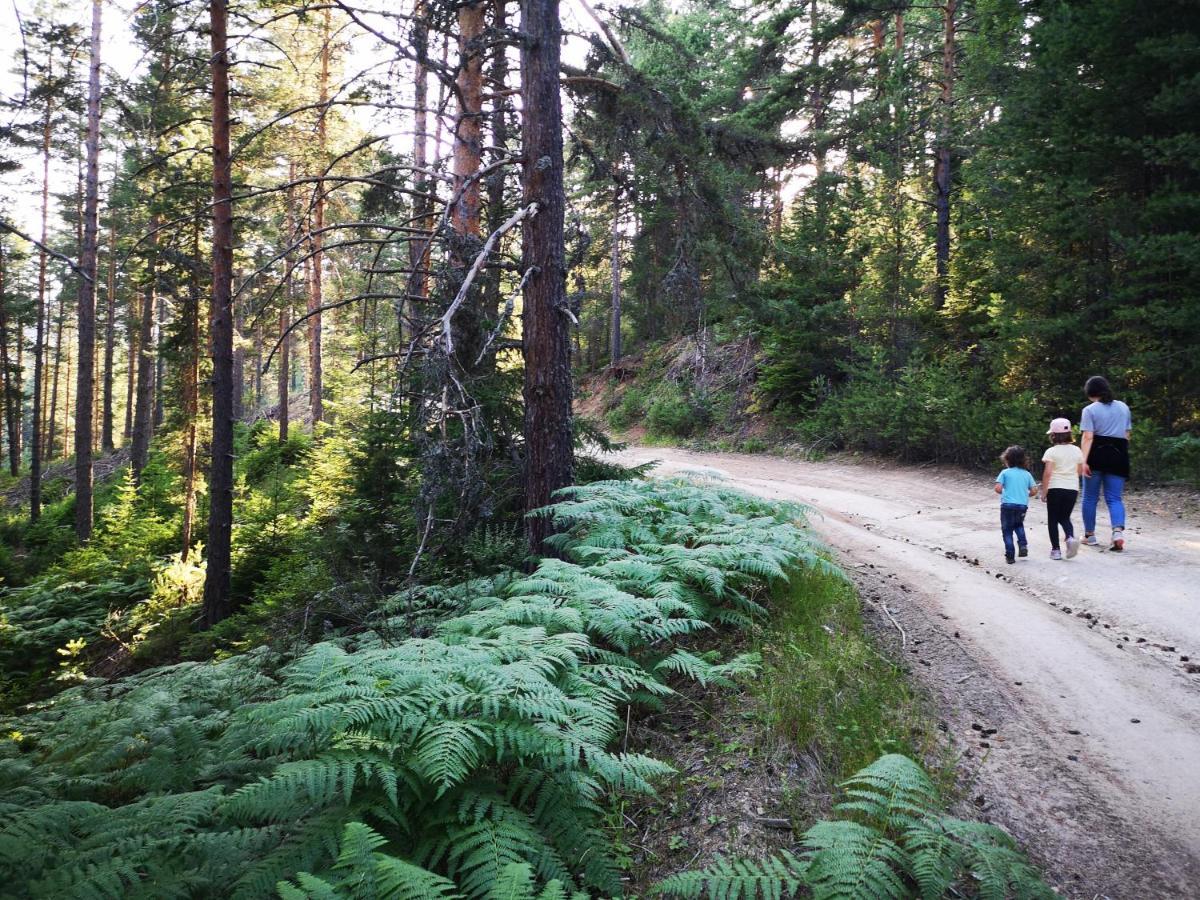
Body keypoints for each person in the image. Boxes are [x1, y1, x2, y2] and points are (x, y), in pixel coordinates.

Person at [1079, 375, 1132, 551]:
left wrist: (1083, 460)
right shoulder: (1123, 407)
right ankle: (1117, 532)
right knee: (1114, 498)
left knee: (1090, 497)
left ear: (1090, 392)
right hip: (1118, 454)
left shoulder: (1090, 410)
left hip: (1096, 454)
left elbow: (1088, 436)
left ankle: (1090, 535)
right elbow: (1126, 435)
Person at [1040, 418, 1084, 560]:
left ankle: (1056, 550)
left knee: (1053, 519)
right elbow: (1079, 471)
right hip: (1072, 488)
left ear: (1053, 435)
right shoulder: (1077, 450)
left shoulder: (1051, 452)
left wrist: (1044, 491)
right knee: (1064, 517)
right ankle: (1070, 538)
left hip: (1055, 487)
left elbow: (1048, 473)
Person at [995, 445, 1037, 564]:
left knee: (1007, 529)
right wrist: (1025, 495)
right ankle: (1023, 545)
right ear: (1023, 460)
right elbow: (1034, 490)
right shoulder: (1027, 474)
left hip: (1007, 505)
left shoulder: (1005, 473)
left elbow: (998, 488)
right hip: (1022, 505)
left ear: (1007, 459)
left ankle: (1010, 555)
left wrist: (1004, 492)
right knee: (1018, 525)